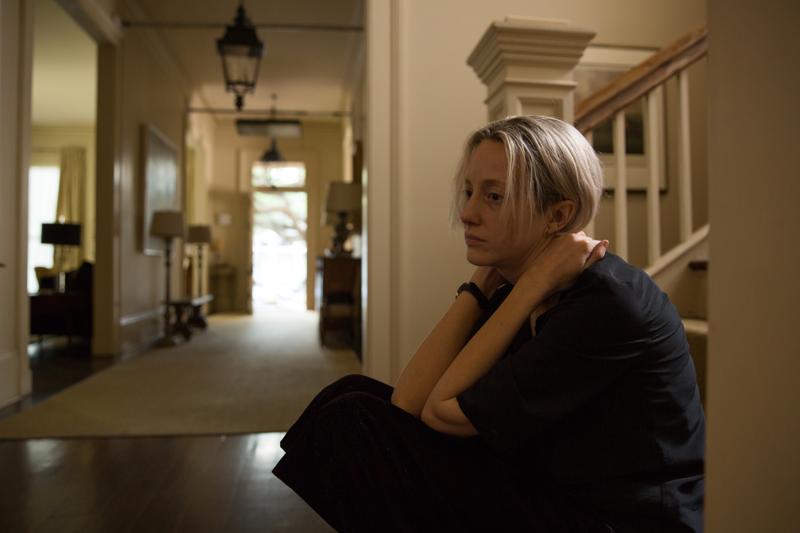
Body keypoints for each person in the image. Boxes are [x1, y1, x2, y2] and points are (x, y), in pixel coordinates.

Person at [273, 115, 705, 533]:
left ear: (557, 216)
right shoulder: (518, 288)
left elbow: (442, 412)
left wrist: (529, 285)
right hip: (553, 492)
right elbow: (408, 403)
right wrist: (479, 287)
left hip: (619, 521)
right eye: (469, 192)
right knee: (352, 394)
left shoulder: (606, 302)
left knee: (351, 420)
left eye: (494, 196)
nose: (468, 213)